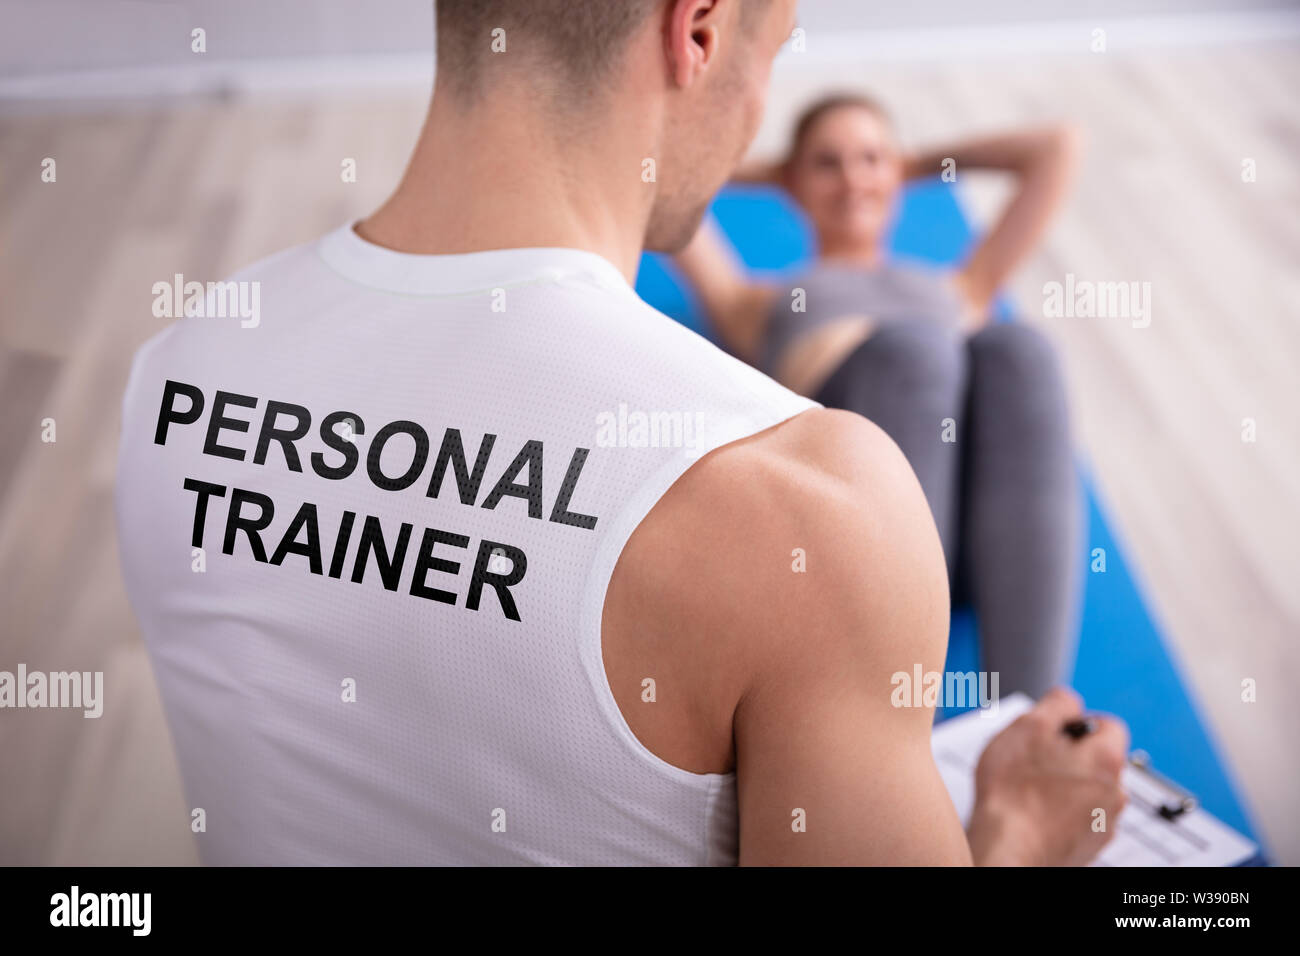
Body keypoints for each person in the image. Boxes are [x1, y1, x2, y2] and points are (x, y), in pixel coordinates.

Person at [114, 0, 1126, 865]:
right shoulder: (810, 507)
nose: (755, 114)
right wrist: (1017, 837)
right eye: (770, 52)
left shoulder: (175, 365)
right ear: (697, 30)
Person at [674, 93, 1084, 697]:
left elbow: (1057, 146)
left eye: (870, 159)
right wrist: (780, 177)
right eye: (827, 164)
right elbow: (657, 165)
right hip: (858, 531)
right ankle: (893, 716)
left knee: (1023, 351)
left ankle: (1027, 719)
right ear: (792, 182)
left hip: (983, 533)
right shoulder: (754, 301)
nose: (852, 179)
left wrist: (911, 165)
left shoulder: (962, 285)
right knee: (915, 351)